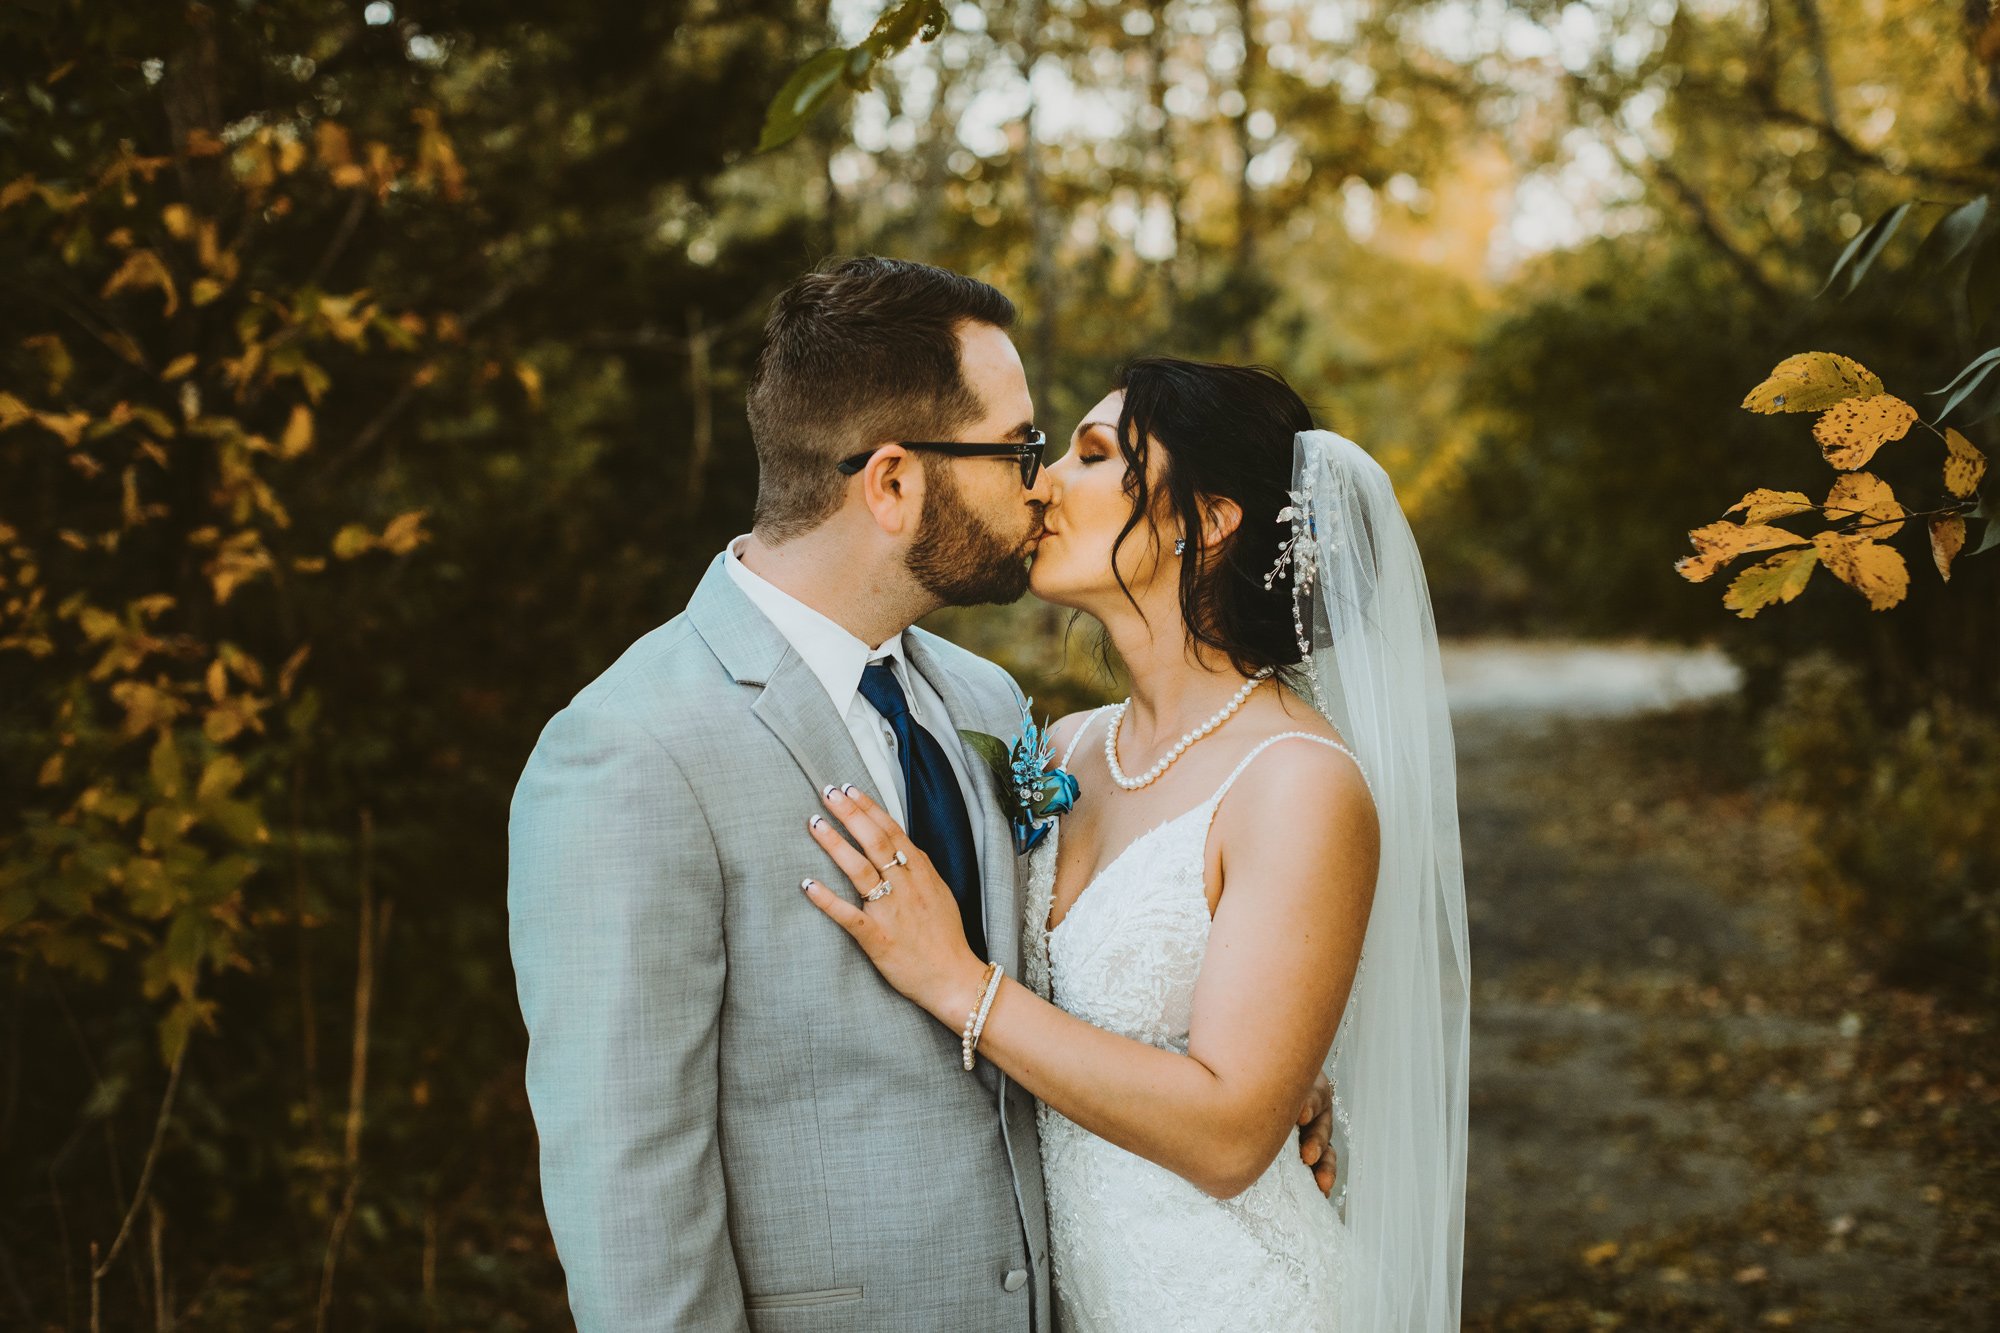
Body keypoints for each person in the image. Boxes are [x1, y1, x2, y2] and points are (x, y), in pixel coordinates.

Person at [506, 259, 1335, 1331]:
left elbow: (1072, 976)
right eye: (1020, 449)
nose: (1038, 485)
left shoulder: (982, 699)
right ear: (893, 482)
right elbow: (624, 1181)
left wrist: (1250, 1065)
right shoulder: (630, 752)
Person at [800, 357, 1472, 1330]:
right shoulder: (1066, 745)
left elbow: (1230, 1135)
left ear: (1201, 518)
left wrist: (960, 984)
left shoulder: (1296, 782)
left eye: (1091, 454)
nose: (1042, 483)